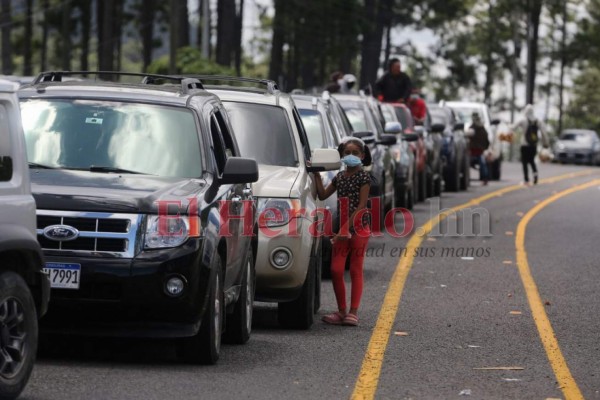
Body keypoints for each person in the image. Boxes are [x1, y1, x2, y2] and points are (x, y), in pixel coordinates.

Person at [313, 137, 372, 327]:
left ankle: (353, 312)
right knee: (336, 270)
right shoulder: (339, 178)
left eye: (355, 153)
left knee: (355, 270)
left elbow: (362, 206)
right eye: (347, 153)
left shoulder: (364, 177)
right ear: (341, 155)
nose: (351, 156)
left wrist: (344, 229)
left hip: (359, 229)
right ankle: (341, 310)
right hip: (342, 231)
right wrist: (316, 174)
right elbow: (322, 194)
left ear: (362, 156)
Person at [511, 104, 549, 185]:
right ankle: (535, 175)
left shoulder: (523, 120)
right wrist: (545, 143)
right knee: (532, 161)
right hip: (533, 145)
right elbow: (544, 132)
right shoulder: (538, 121)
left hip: (524, 144)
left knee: (524, 162)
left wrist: (508, 127)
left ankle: (526, 179)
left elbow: (513, 128)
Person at [466, 112, 491, 185]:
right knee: (481, 164)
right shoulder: (477, 128)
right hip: (474, 151)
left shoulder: (478, 128)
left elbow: (486, 140)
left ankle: (485, 179)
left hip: (478, 151)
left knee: (482, 165)